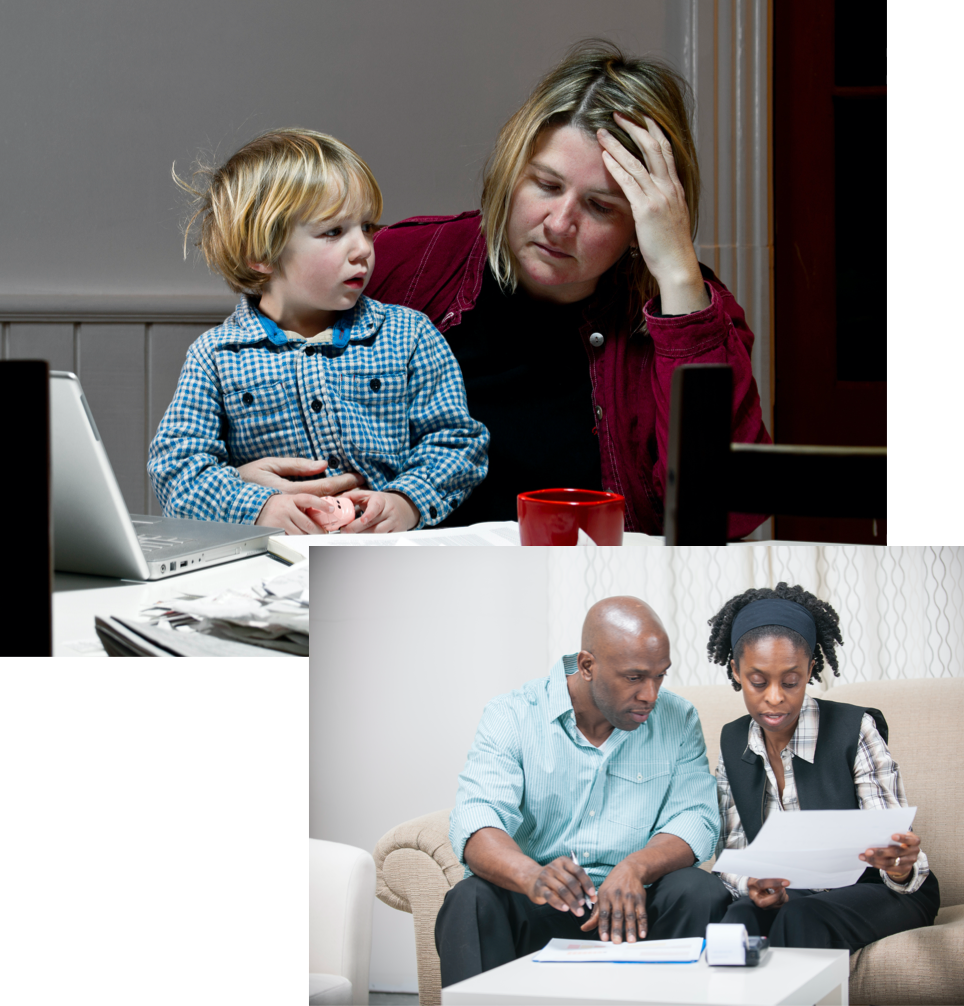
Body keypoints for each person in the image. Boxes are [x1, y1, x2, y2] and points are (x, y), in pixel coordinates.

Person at [236, 40, 770, 538]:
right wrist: (244, 480)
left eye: (601, 207)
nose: (560, 224)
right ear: (512, 172)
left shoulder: (693, 312)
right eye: (547, 184)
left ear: (644, 222)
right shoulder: (404, 264)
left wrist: (678, 274)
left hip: (590, 603)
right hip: (402, 588)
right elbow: (252, 395)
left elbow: (732, 511)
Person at [148, 129, 488, 535]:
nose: (362, 248)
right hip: (269, 563)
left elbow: (457, 442)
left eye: (366, 227)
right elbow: (178, 468)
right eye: (333, 232)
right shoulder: (217, 355)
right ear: (260, 254)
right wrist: (260, 507)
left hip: (386, 556)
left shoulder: (409, 336)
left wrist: (407, 500)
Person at [436, 596, 729, 984]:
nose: (651, 695)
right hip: (540, 903)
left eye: (660, 676)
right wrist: (532, 876)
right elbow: (478, 818)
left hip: (636, 910)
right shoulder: (512, 714)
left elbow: (697, 819)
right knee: (469, 899)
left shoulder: (678, 719)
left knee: (699, 889)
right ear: (588, 665)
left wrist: (634, 867)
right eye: (635, 677)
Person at [705, 583, 940, 951]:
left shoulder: (855, 728)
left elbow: (892, 839)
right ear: (736, 671)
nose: (775, 697)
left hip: (881, 891)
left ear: (811, 669)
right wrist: (757, 884)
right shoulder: (733, 742)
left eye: (791, 681)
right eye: (758, 681)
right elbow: (734, 847)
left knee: (802, 917)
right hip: (796, 894)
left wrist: (899, 865)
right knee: (737, 920)